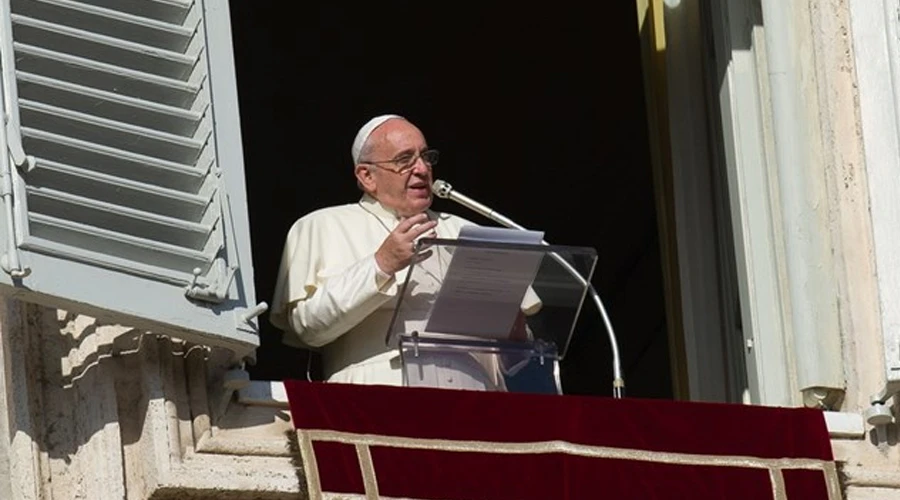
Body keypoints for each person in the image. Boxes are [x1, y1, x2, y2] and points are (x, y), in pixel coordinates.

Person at [271, 114, 520, 389]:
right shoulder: (321, 225)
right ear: (367, 176)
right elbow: (308, 328)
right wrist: (382, 264)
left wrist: (513, 324)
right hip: (374, 395)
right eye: (405, 160)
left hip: (474, 396)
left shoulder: (467, 231)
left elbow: (517, 358)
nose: (423, 170)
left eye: (426, 157)